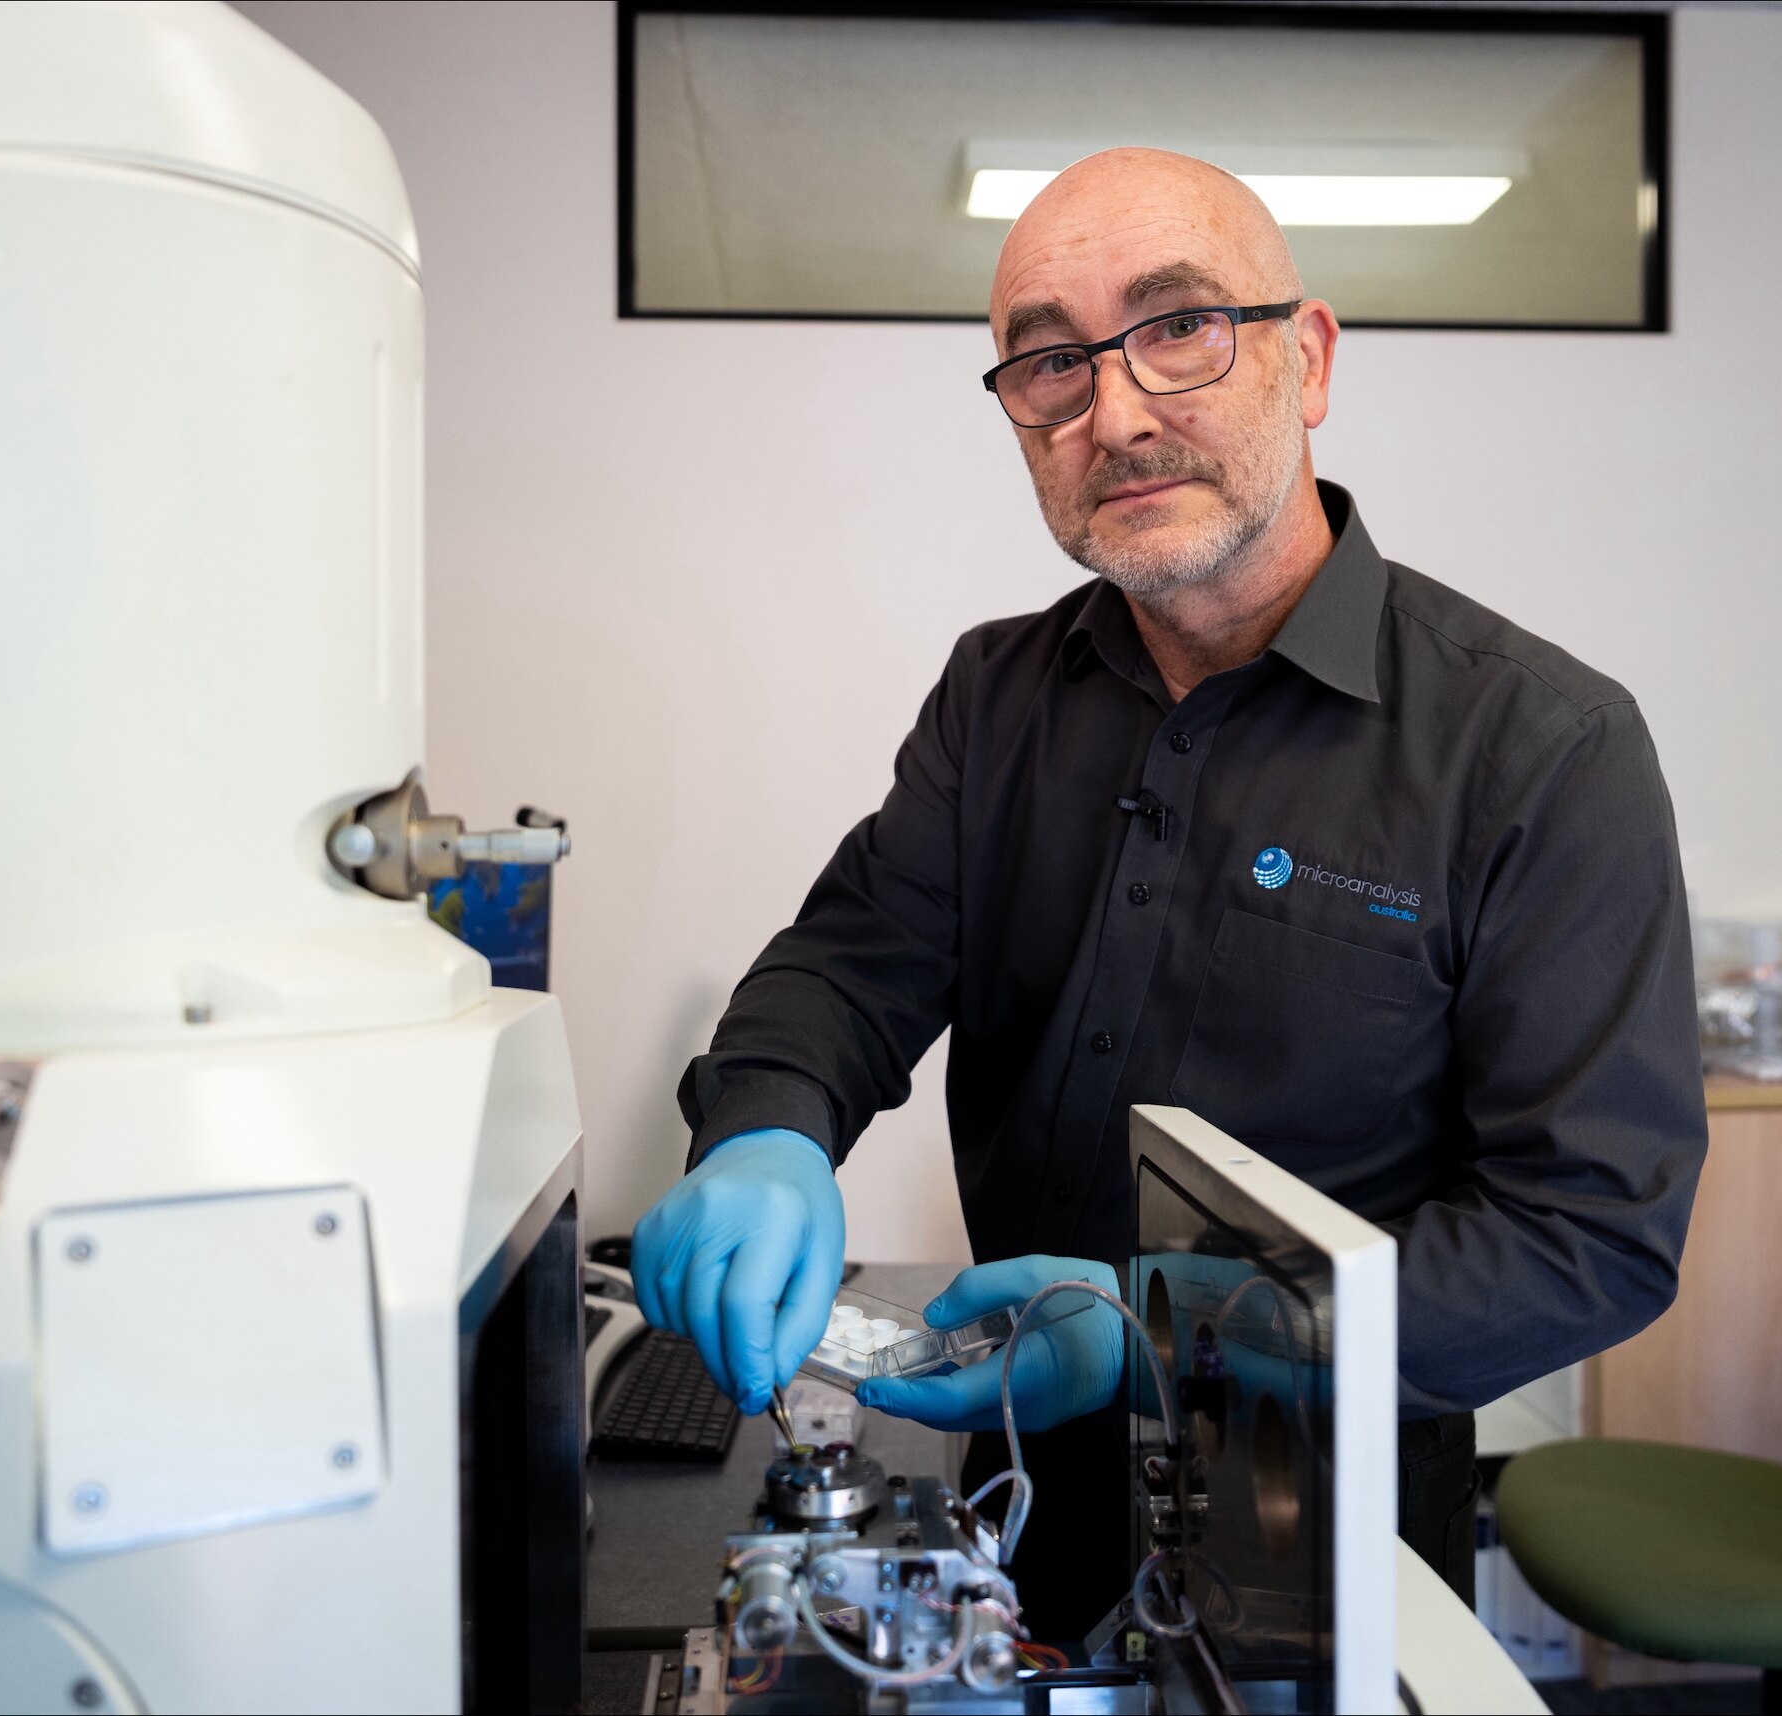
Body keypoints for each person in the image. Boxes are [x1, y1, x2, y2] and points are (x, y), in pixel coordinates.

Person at [632, 147, 1706, 1635]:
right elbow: (853, 959)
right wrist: (761, 1130)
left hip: (1319, 1535)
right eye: (1049, 362)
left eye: (1178, 328)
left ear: (1307, 358)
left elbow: (1584, 1239)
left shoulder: (1538, 748)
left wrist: (1154, 1332)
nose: (1116, 414)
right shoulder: (997, 691)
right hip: (1005, 1481)